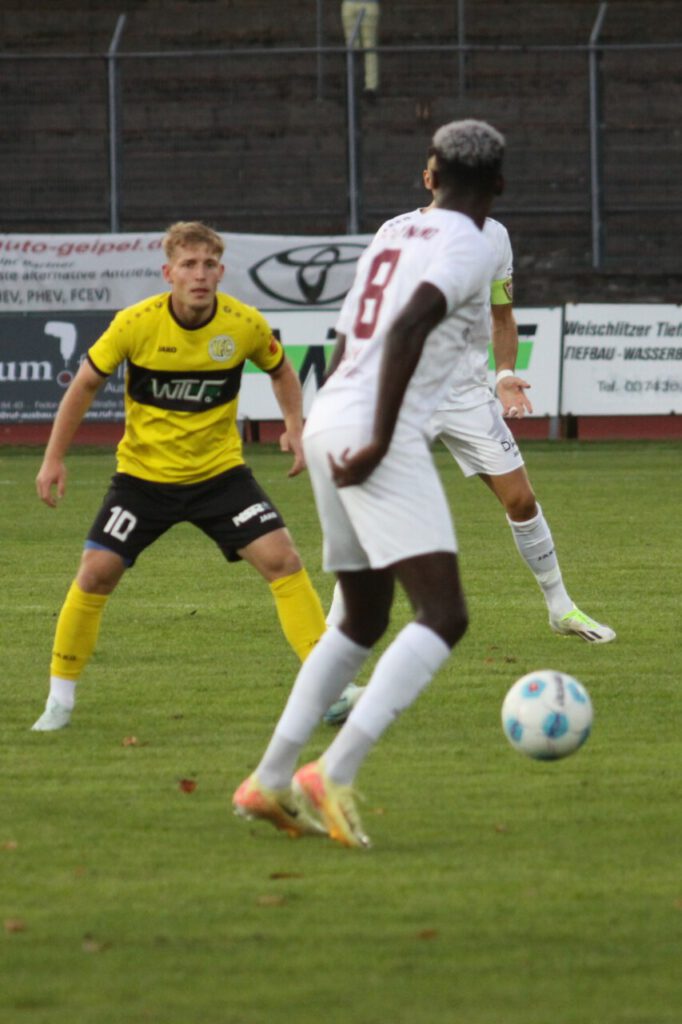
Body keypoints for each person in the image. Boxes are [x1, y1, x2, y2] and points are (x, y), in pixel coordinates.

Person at [233, 118, 506, 848]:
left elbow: (359, 331)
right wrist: (384, 434)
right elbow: (412, 326)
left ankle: (269, 778)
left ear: (429, 174)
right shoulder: (472, 243)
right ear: (499, 186)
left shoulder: (393, 234)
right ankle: (335, 771)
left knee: (361, 617)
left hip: (330, 418)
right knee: (443, 614)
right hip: (372, 433)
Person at [322, 148, 616, 726]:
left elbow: (502, 314)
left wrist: (505, 376)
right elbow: (368, 315)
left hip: (463, 393)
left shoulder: (495, 238)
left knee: (521, 499)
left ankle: (560, 608)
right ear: (428, 179)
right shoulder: (396, 231)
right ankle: (337, 668)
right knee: (368, 528)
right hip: (401, 389)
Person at [31, 221, 327, 732]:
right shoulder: (135, 324)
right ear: (168, 273)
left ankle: (330, 688)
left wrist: (295, 427)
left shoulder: (243, 324)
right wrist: (53, 457)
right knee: (96, 572)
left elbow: (281, 371)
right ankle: (59, 700)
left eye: (209, 265)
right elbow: (83, 385)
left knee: (283, 559)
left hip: (220, 478)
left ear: (221, 272)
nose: (200, 275)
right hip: (143, 480)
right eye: (188, 265)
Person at [341, 0, 380, 101]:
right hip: (364, 4)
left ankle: (366, 86)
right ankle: (366, 85)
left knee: (360, 48)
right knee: (362, 48)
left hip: (357, 4)